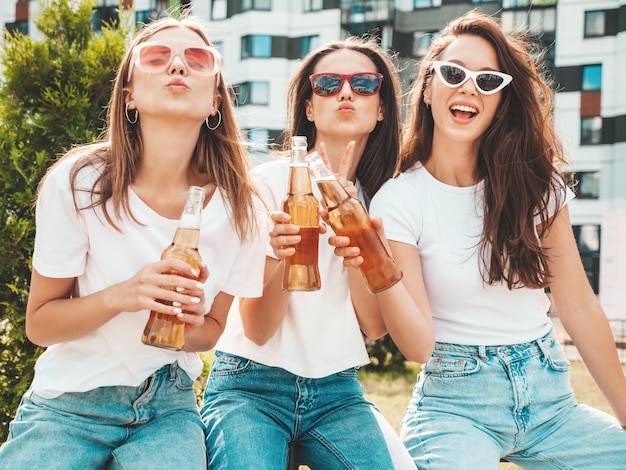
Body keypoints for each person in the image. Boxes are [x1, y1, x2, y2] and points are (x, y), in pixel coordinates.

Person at [0, 15, 267, 469]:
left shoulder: (242, 207)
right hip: (69, 403)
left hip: (168, 408)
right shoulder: (80, 182)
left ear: (215, 100)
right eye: (156, 57)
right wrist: (125, 295)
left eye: (197, 59)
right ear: (129, 96)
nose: (177, 66)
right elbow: (40, 324)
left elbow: (211, 332)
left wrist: (187, 320)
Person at [367, 9, 626, 468]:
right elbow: (416, 343)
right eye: (454, 73)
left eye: (488, 81)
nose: (469, 87)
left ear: (501, 101)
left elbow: (580, 306)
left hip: (551, 401)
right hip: (456, 407)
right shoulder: (399, 201)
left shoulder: (535, 185)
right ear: (427, 88)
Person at [201, 36, 425, 469]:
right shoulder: (268, 185)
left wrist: (359, 246)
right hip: (251, 385)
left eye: (364, 83)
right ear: (308, 106)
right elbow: (258, 329)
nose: (346, 92)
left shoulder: (384, 200)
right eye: (327, 83)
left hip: (337, 392)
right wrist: (286, 255)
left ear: (382, 109)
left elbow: (374, 327)